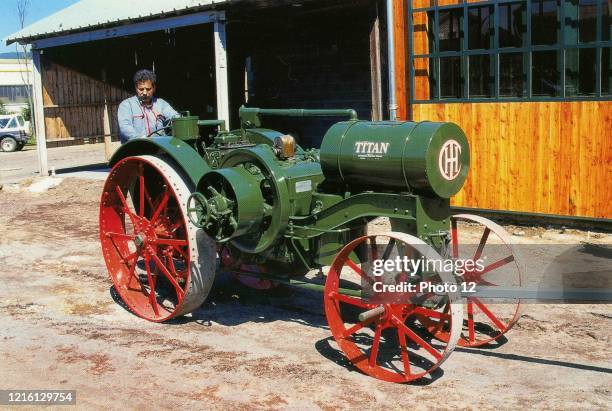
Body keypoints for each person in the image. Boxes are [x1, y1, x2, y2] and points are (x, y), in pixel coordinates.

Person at [118, 69, 179, 143]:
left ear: (154, 88)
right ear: (136, 88)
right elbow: (125, 127)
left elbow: (175, 116)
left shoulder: (161, 104)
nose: (144, 92)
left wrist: (179, 119)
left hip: (159, 146)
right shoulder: (126, 105)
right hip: (135, 147)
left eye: (148, 89)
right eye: (141, 89)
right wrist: (141, 139)